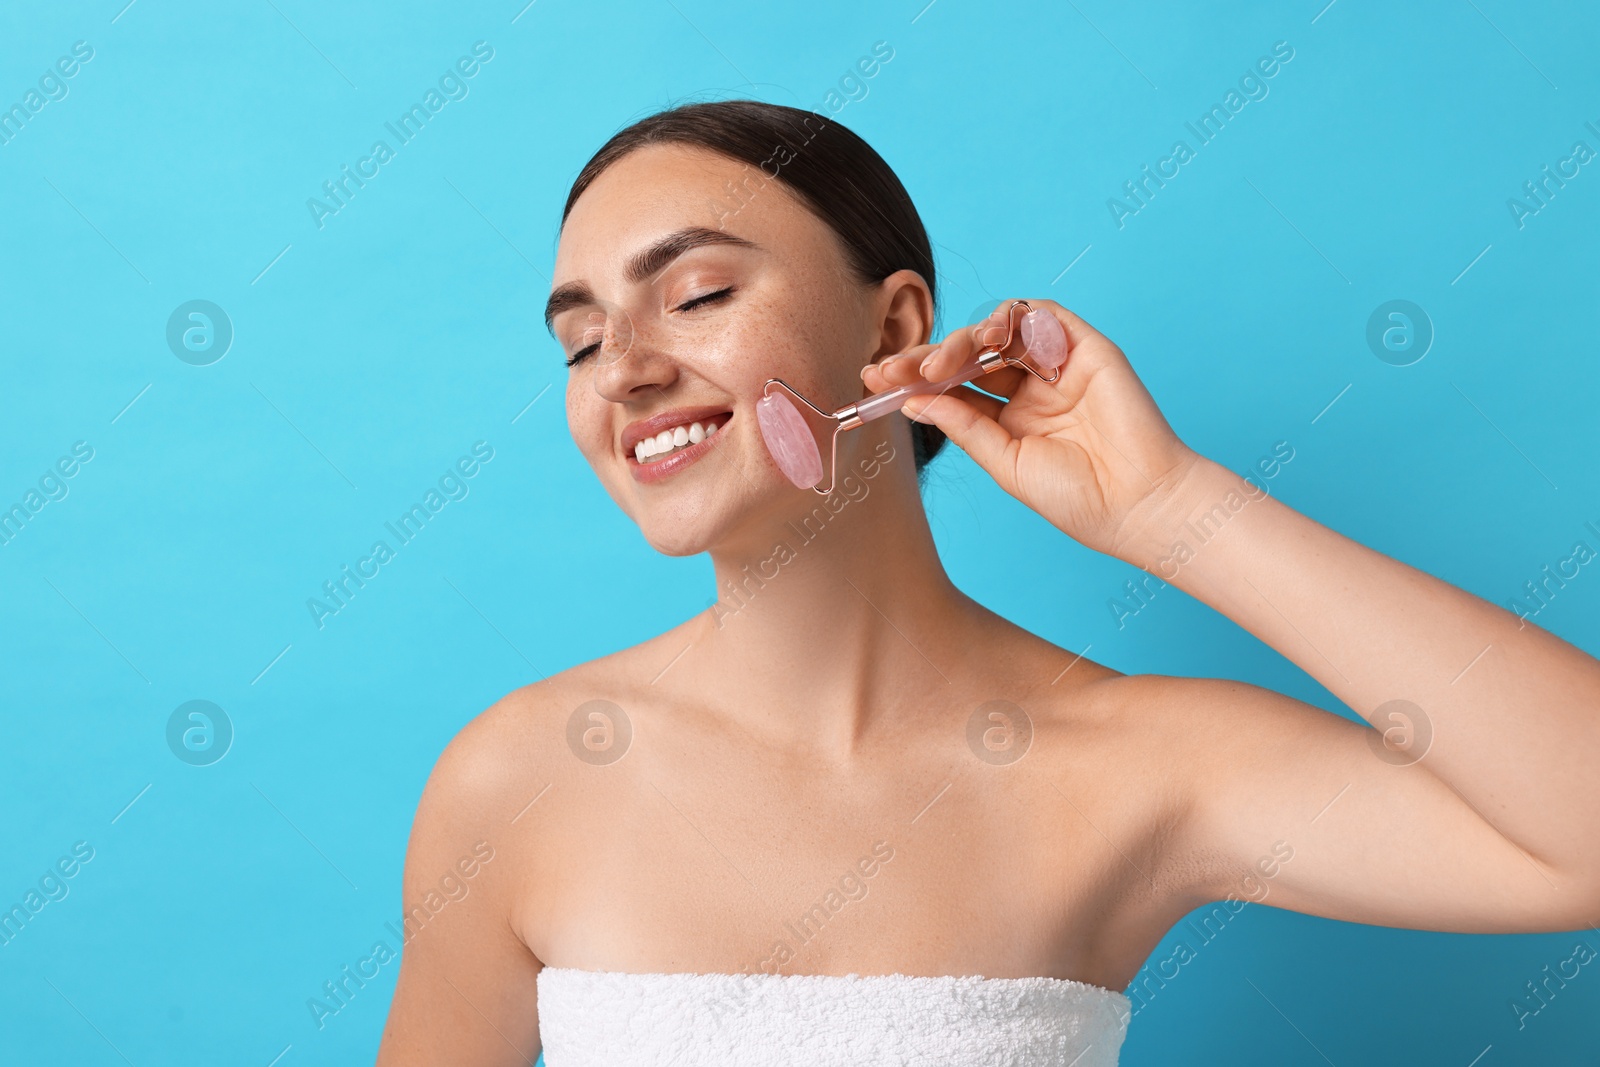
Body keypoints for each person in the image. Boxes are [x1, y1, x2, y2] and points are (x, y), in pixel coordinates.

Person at [375, 100, 1600, 1066]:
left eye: (695, 295)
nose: (623, 370)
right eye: (580, 340)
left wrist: (1172, 509)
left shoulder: (1135, 761)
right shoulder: (519, 779)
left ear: (891, 322)